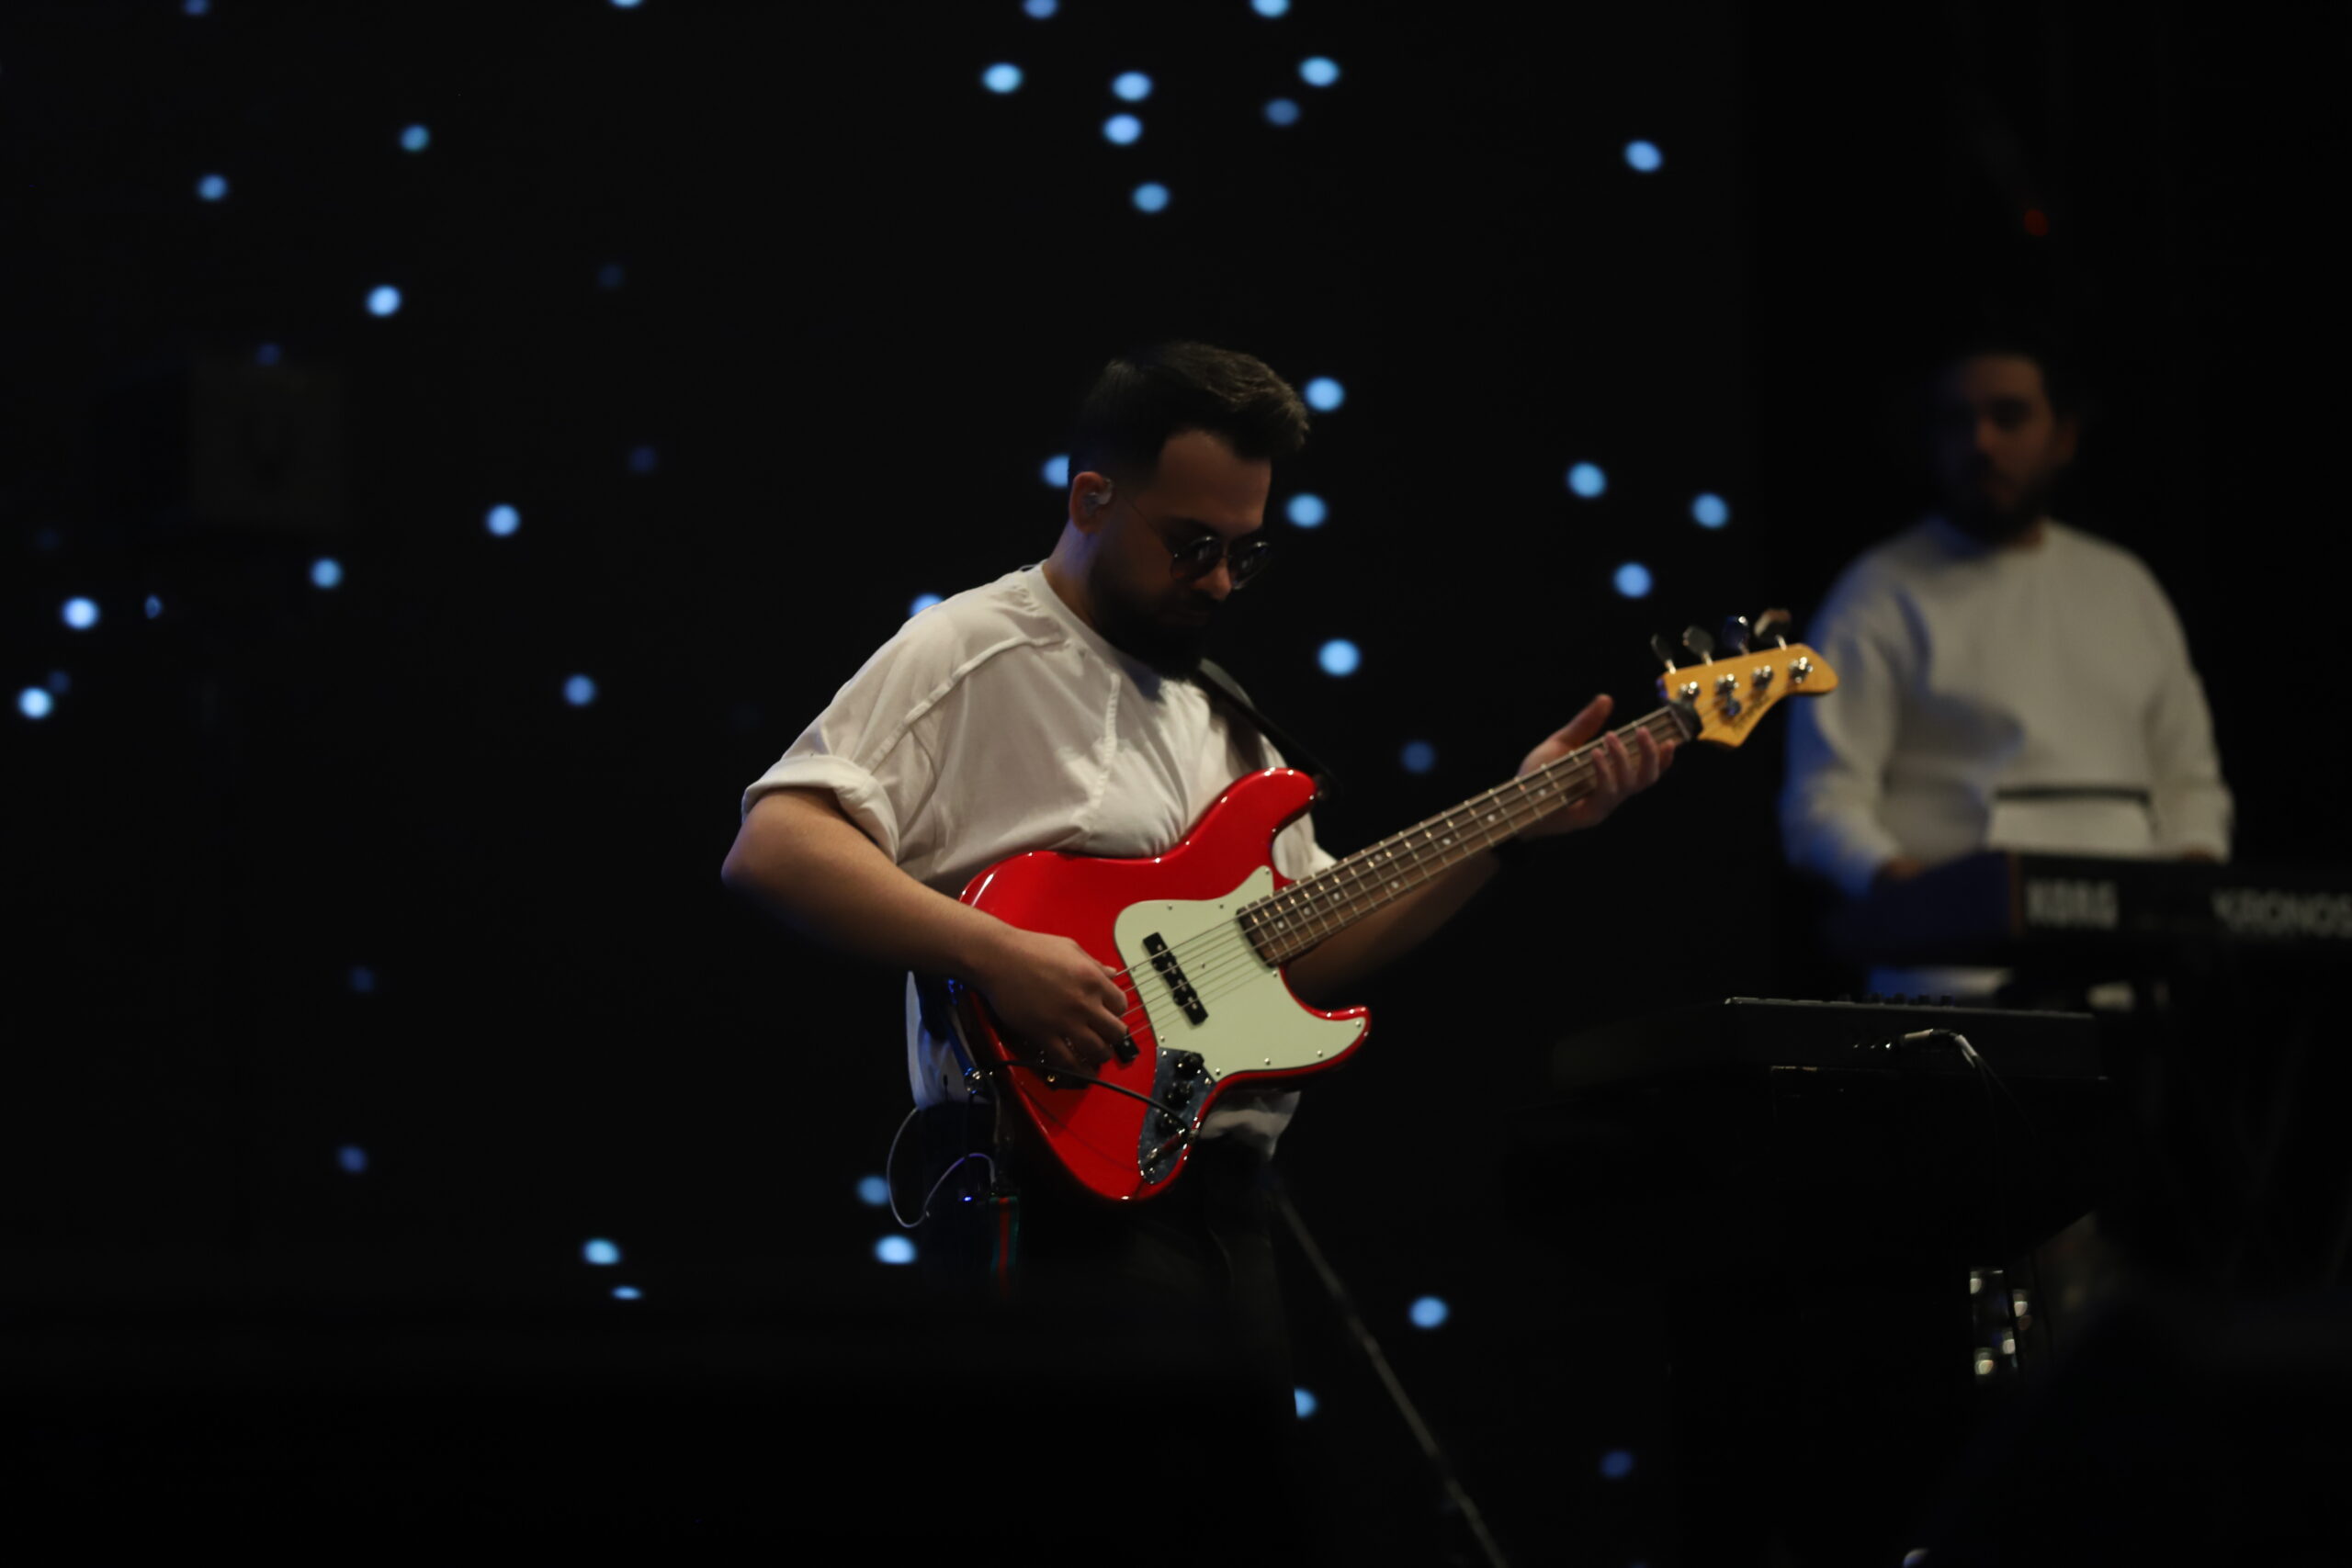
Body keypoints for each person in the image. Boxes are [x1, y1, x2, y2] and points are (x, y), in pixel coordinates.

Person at [717, 342, 1671, 1410]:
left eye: (1244, 553)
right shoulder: (973, 646)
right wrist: (994, 952)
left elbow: (1303, 954)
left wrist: (1517, 825)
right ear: (1090, 499)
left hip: (1217, 1205)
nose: (1218, 580)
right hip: (1044, 1198)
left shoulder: (1224, 715)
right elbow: (776, 846)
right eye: (1191, 545)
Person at [1780, 322, 2233, 1004]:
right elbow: (1820, 801)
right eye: (1958, 421)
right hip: (1954, 988)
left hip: (2129, 987)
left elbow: (2189, 782)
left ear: (2064, 436)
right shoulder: (1879, 593)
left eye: (2009, 416)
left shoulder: (2125, 586)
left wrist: (2188, 890)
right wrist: (1931, 901)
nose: (1981, 442)